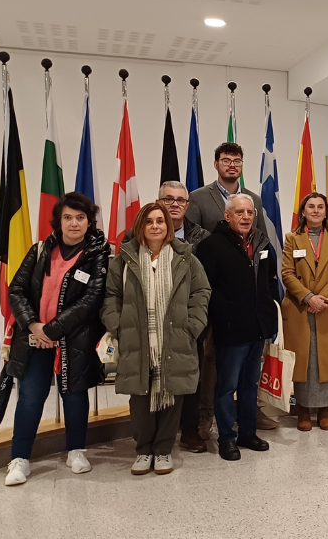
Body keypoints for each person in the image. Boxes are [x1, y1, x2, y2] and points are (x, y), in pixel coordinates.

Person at [3, 193, 109, 486]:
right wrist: (34, 326)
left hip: (73, 340)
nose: (74, 223)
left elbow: (92, 299)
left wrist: (53, 331)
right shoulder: (40, 250)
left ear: (89, 221)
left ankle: (76, 451)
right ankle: (20, 458)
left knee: (74, 395)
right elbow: (16, 290)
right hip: (35, 339)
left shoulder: (98, 254)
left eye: (80, 217)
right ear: (58, 221)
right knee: (30, 397)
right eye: (68, 217)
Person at [102, 202, 211, 475]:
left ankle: (163, 450)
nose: (155, 226)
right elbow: (110, 298)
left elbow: (202, 292)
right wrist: (119, 326)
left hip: (174, 339)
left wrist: (192, 325)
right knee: (140, 398)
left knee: (172, 397)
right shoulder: (125, 260)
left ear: (168, 226)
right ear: (141, 226)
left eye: (160, 221)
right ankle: (143, 450)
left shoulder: (185, 258)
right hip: (138, 340)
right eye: (149, 221)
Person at [185, 142, 277, 434]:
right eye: (226, 160)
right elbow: (193, 246)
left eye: (236, 160)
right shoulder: (198, 198)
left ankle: (250, 416)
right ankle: (206, 415)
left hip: (251, 308)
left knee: (249, 369)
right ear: (216, 164)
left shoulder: (254, 199)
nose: (232, 165)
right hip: (216, 294)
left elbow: (260, 242)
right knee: (213, 362)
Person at [124, 181, 212, 453]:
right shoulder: (132, 238)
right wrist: (119, 324)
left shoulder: (202, 236)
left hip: (183, 326)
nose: (175, 204)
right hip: (144, 326)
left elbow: (203, 286)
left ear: (188, 205)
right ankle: (149, 438)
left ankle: (189, 430)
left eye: (180, 200)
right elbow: (118, 287)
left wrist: (194, 324)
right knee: (146, 380)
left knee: (188, 379)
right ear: (159, 202)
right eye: (169, 199)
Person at [194, 194, 279, 461]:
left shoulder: (263, 244)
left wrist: (269, 312)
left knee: (249, 384)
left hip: (258, 327)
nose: (245, 217)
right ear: (227, 216)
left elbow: (271, 281)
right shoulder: (211, 246)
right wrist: (227, 313)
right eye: (239, 212)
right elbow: (207, 289)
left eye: (249, 212)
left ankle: (247, 433)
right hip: (230, 329)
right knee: (226, 386)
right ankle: (227, 438)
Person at [281, 193, 328, 431]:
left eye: (321, 207)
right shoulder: (292, 239)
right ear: (303, 212)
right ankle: (303, 411)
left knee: (326, 360)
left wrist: (322, 299)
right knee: (306, 362)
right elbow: (287, 273)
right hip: (301, 307)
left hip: (327, 307)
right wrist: (309, 297)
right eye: (311, 206)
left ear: (326, 212)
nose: (316, 210)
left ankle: (325, 410)